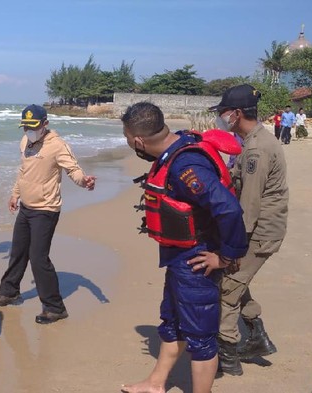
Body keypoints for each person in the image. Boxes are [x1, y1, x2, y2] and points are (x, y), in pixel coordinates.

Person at [119, 102, 248, 393]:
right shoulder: (177, 144)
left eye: (127, 138)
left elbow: (228, 210)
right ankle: (156, 383)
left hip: (196, 259)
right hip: (179, 257)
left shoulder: (185, 165)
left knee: (200, 336)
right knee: (172, 320)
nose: (129, 143)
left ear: (138, 141)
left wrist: (226, 256)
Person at [0, 104, 96, 324]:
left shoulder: (57, 145)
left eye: (33, 126)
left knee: (38, 258)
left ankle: (55, 307)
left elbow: (72, 169)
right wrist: (15, 194)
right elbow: (23, 171)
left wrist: (84, 181)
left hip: (46, 209)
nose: (29, 130)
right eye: (25, 126)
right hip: (26, 207)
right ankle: (9, 292)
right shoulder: (25, 141)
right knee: (17, 251)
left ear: (45, 124)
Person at [210, 84, 289, 376]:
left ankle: (227, 357)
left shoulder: (257, 149)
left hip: (258, 232)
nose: (221, 117)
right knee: (237, 281)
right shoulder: (252, 142)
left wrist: (234, 246)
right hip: (259, 228)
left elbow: (250, 203)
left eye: (223, 112)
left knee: (227, 290)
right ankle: (257, 336)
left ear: (237, 114)